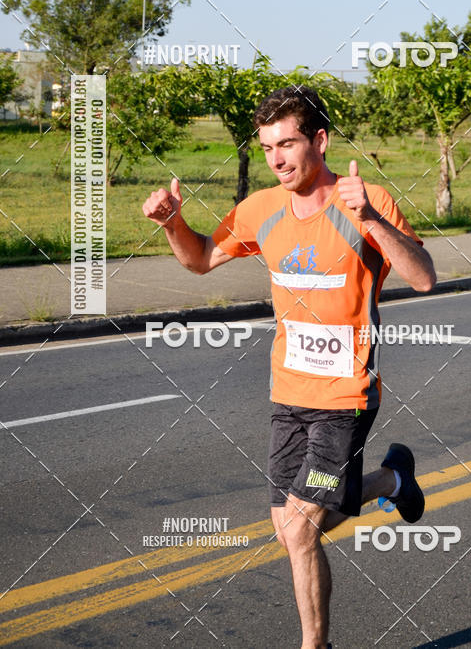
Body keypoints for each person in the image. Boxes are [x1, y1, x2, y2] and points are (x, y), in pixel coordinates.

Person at [142, 85, 436, 649]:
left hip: (346, 397)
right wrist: (173, 224)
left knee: (301, 526)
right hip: (287, 393)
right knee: (295, 527)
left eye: (289, 143)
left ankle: (314, 645)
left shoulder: (364, 199)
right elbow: (201, 258)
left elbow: (423, 276)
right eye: (268, 146)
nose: (277, 158)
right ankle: (394, 479)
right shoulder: (261, 209)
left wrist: (372, 218)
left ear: (319, 141)